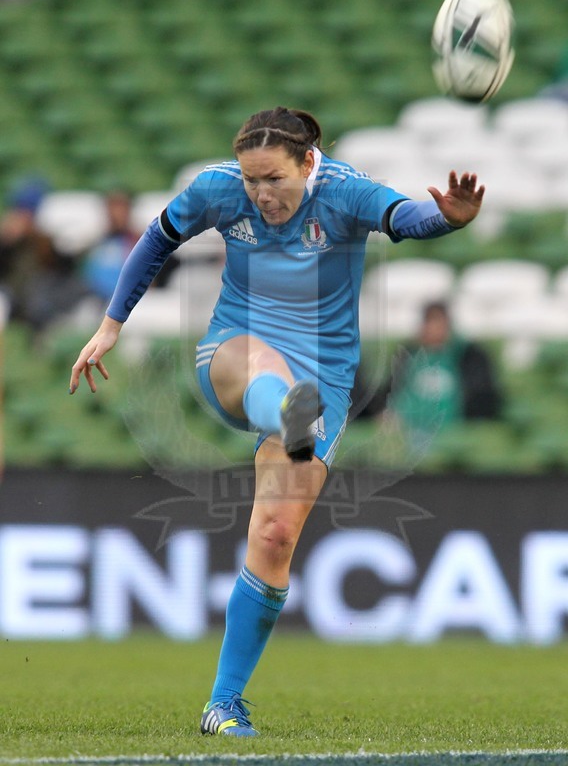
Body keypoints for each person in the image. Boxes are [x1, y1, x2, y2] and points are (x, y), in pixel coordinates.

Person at [69, 106, 484, 736]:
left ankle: (223, 705)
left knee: (273, 538)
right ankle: (288, 413)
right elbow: (157, 237)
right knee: (265, 367)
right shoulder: (219, 188)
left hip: (326, 376)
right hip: (234, 354)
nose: (261, 194)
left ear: (308, 162)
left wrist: (447, 219)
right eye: (252, 180)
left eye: (274, 180)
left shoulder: (344, 191)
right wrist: (110, 325)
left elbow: (405, 216)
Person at [351, 300, 502, 438]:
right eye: (429, 322)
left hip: (454, 429)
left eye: (437, 322)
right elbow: (390, 391)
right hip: (405, 429)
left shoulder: (469, 356)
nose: (432, 329)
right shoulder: (408, 354)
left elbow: (481, 395)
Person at [0, 177, 87, 333]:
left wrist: (46, 240)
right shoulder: (9, 239)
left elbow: (66, 268)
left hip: (44, 296)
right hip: (14, 295)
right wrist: (7, 241)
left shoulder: (49, 237)